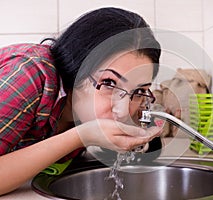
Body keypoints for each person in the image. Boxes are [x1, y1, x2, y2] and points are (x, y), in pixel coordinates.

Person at [0, 7, 162, 195]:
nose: (123, 110)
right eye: (109, 83)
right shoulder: (30, 74)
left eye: (139, 90)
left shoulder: (96, 109)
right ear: (77, 68)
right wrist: (79, 137)